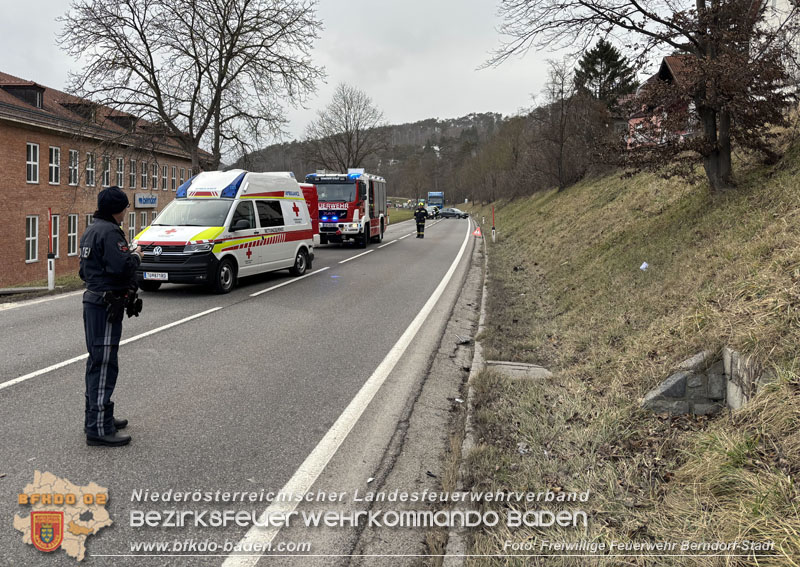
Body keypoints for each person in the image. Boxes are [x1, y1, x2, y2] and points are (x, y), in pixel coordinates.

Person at [79, 186, 144, 447]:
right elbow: (121, 267)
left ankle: (98, 416)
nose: (127, 211)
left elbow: (84, 271)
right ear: (118, 209)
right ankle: (98, 428)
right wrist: (136, 256)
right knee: (104, 364)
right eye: (126, 207)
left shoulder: (92, 229)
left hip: (94, 300)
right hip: (105, 304)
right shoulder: (109, 232)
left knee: (97, 361)